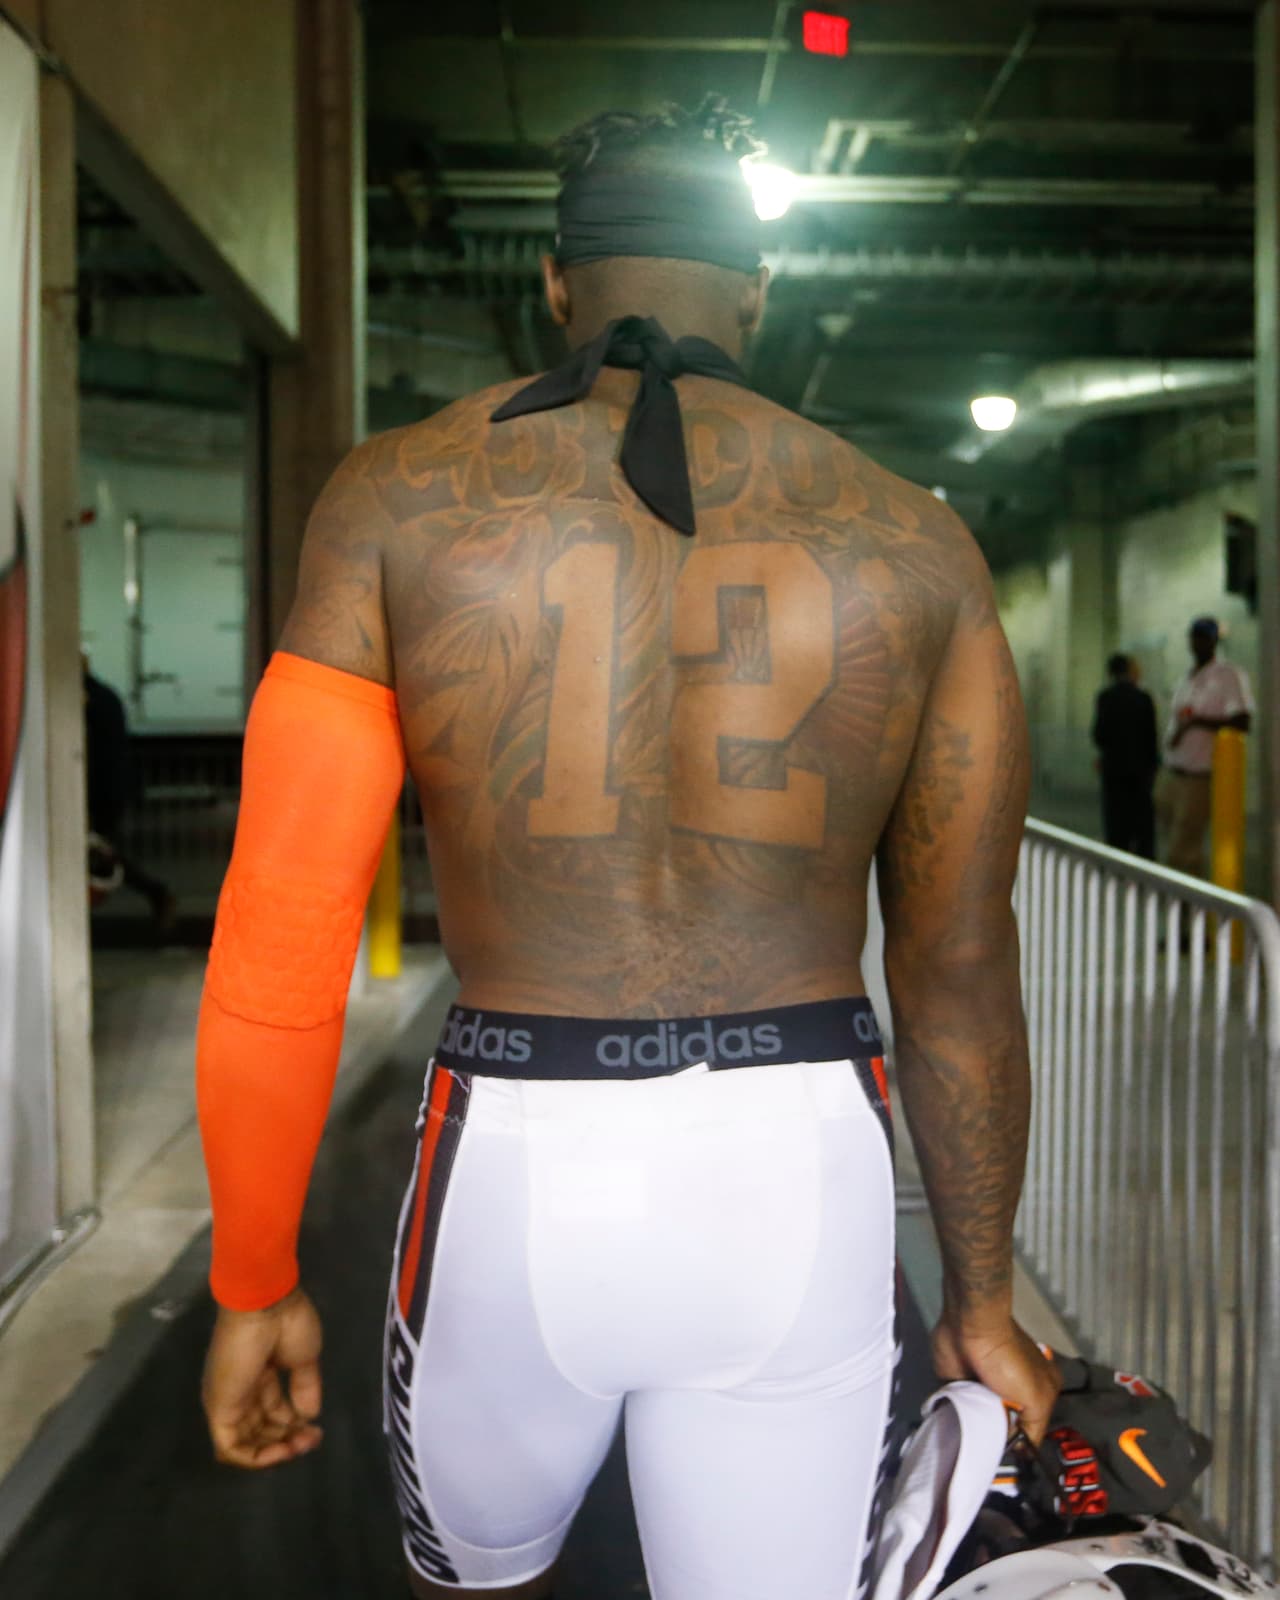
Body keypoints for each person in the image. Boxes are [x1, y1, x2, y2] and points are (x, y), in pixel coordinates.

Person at [196, 98, 1059, 1600]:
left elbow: (282, 931)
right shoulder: (917, 545)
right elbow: (960, 968)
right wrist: (982, 1295)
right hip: (803, 1174)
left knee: (481, 1583)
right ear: (758, 291)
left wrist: (253, 1279)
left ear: (554, 283)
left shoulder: (395, 500)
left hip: (517, 1160)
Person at [82, 658, 176, 927]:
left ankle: (156, 893)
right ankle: (156, 894)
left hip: (101, 790)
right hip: (114, 786)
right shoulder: (107, 696)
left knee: (99, 848)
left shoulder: (87, 701)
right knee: (99, 846)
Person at [1160, 617, 1253, 879]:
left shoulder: (1228, 675)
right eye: (1195, 636)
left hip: (1198, 775)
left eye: (1205, 636)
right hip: (1173, 769)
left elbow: (1242, 720)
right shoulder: (1187, 677)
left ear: (1214, 641)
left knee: (1182, 847)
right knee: (1173, 833)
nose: (1199, 641)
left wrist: (1196, 723)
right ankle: (1188, 888)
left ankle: (1186, 908)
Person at [1091, 653, 1158, 859]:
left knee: (1116, 817)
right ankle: (1144, 861)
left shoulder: (1105, 697)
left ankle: (1118, 858)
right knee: (1142, 819)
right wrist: (1153, 766)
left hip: (1114, 769)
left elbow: (1099, 734)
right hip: (1140, 770)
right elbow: (1151, 737)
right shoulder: (1144, 698)